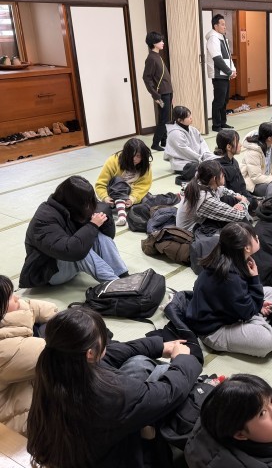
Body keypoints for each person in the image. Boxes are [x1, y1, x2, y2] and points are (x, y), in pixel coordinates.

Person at [27, 307, 200, 468]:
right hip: (112, 460)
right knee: (165, 375)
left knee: (138, 362)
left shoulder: (52, 366)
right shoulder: (111, 395)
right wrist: (183, 359)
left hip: (72, 453)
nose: (106, 343)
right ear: (90, 354)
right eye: (102, 339)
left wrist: (159, 346)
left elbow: (113, 353)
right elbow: (168, 392)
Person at [185, 222, 272, 357]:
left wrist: (258, 304)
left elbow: (237, 295)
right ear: (246, 247)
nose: (257, 237)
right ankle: (258, 321)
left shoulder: (228, 256)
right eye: (254, 236)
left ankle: (256, 318)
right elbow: (246, 311)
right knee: (268, 341)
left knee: (271, 291)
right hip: (213, 330)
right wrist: (254, 279)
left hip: (224, 311)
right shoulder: (230, 277)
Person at [20, 176, 128, 288]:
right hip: (49, 272)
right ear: (75, 201)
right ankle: (117, 285)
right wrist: (93, 225)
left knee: (100, 236)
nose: (90, 206)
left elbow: (109, 235)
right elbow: (71, 250)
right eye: (87, 203)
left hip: (70, 262)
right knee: (81, 247)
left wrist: (104, 220)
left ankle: (124, 276)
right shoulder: (44, 218)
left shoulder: (76, 206)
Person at [0, 276, 58, 435]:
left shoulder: (9, 313)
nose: (16, 298)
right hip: (21, 421)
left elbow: (30, 306)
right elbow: (58, 351)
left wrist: (56, 315)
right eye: (10, 297)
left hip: (24, 390)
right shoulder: (6, 350)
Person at [177, 160, 249, 232]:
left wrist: (237, 196)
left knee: (231, 200)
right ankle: (250, 234)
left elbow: (222, 190)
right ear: (214, 178)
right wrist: (243, 203)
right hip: (190, 233)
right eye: (222, 175)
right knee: (235, 223)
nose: (224, 176)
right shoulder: (204, 199)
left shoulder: (201, 182)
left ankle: (249, 233)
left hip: (200, 222)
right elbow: (238, 216)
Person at [95, 138, 153, 226]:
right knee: (118, 182)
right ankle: (122, 215)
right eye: (132, 156)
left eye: (138, 156)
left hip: (130, 195)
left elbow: (143, 186)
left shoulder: (145, 166)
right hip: (113, 193)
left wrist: (132, 199)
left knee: (150, 202)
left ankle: (121, 209)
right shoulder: (113, 161)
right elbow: (100, 184)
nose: (135, 159)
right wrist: (105, 197)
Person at [213, 129, 259, 214]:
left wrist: (250, 199)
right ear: (229, 147)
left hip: (241, 198)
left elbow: (242, 187)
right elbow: (224, 196)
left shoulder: (234, 161)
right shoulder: (218, 168)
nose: (240, 145)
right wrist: (244, 201)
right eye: (237, 142)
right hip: (232, 206)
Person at [142, 31, 172, 152]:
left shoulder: (157, 56)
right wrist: (155, 95)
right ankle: (155, 143)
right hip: (161, 94)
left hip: (167, 91)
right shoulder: (151, 58)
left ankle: (164, 141)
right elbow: (146, 78)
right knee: (164, 119)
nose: (163, 43)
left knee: (166, 117)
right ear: (154, 43)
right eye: (160, 41)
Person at [206, 14, 236, 132]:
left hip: (225, 75)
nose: (225, 26)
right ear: (216, 26)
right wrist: (229, 72)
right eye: (222, 24)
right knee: (218, 101)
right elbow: (217, 59)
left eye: (225, 24)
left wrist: (233, 70)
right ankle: (216, 125)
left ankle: (223, 122)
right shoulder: (213, 38)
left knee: (225, 100)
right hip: (218, 75)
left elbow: (228, 57)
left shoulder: (222, 37)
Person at [163, 105, 215, 172]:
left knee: (216, 161)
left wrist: (205, 154)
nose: (191, 118)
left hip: (197, 158)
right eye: (188, 117)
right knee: (206, 170)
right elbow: (185, 151)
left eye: (190, 115)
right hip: (182, 162)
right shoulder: (175, 133)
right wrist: (201, 158)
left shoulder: (193, 129)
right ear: (180, 120)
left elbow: (202, 142)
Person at [240, 122, 272, 196]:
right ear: (269, 138)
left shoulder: (271, 146)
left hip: (265, 178)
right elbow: (256, 177)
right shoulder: (253, 152)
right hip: (253, 183)